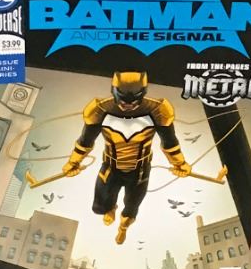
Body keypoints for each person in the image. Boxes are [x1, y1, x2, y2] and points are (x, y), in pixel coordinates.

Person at [60, 69, 190, 244]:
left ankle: (123, 227)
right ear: (114, 92)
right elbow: (85, 141)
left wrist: (180, 163)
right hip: (110, 167)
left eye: (134, 101)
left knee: (131, 207)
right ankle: (111, 207)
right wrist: (73, 162)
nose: (128, 106)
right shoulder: (100, 109)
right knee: (99, 207)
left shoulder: (158, 110)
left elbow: (170, 142)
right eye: (123, 101)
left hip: (140, 171)